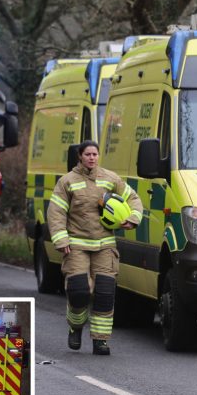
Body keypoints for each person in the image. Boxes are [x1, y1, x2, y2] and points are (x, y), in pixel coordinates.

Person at [47, 140, 143, 355]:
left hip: (105, 246)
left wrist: (133, 218)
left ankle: (100, 341)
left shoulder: (110, 179)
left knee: (104, 293)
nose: (92, 157)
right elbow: (56, 213)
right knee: (79, 292)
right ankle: (76, 326)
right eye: (88, 154)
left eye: (95, 154)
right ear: (80, 156)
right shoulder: (67, 182)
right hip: (76, 245)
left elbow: (134, 199)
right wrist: (61, 241)